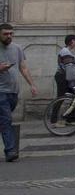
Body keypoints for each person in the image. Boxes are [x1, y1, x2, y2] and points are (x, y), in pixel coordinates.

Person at [0, 23, 38, 162]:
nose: (9, 36)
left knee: (4, 121)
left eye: (11, 33)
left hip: (13, 92)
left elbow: (23, 68)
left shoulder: (17, 48)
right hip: (1, 91)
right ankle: (10, 150)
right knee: (6, 120)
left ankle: (9, 145)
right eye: (5, 34)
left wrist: (32, 84)